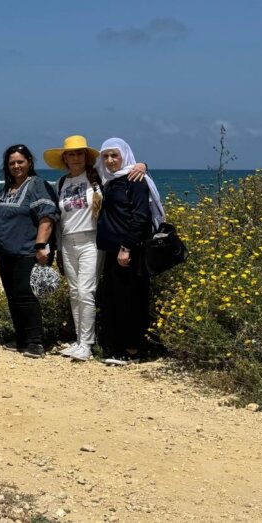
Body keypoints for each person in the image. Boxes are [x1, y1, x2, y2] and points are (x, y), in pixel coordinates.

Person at [44, 136, 150, 362]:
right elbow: (60, 219)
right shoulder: (61, 184)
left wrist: (142, 165)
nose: (75, 158)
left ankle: (88, 344)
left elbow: (123, 171)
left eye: (79, 153)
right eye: (70, 154)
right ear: (64, 158)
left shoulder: (99, 178)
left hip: (92, 242)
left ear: (86, 157)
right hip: (68, 242)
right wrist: (59, 249)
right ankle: (79, 340)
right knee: (74, 292)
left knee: (85, 291)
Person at [95, 138, 164, 366]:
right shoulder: (111, 180)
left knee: (131, 300)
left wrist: (126, 247)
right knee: (114, 299)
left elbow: (140, 216)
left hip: (129, 250)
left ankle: (133, 349)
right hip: (113, 250)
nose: (110, 160)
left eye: (115, 155)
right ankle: (116, 347)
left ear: (125, 155)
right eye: (106, 156)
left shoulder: (135, 180)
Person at [0, 144, 59, 359]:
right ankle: (21, 339)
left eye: (20, 162)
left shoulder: (37, 185)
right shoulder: (7, 189)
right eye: (12, 163)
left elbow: (47, 216)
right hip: (5, 252)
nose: (16, 166)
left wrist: (40, 246)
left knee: (26, 296)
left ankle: (35, 342)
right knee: (12, 297)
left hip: (28, 251)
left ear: (29, 162)